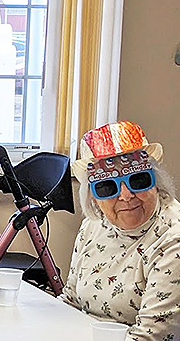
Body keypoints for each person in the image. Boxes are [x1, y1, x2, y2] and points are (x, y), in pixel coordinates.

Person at [63, 121, 180, 340]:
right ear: (93, 198)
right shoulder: (95, 222)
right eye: (107, 187)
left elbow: (151, 336)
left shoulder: (174, 239)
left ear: (157, 182)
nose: (125, 196)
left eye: (138, 180)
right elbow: (70, 302)